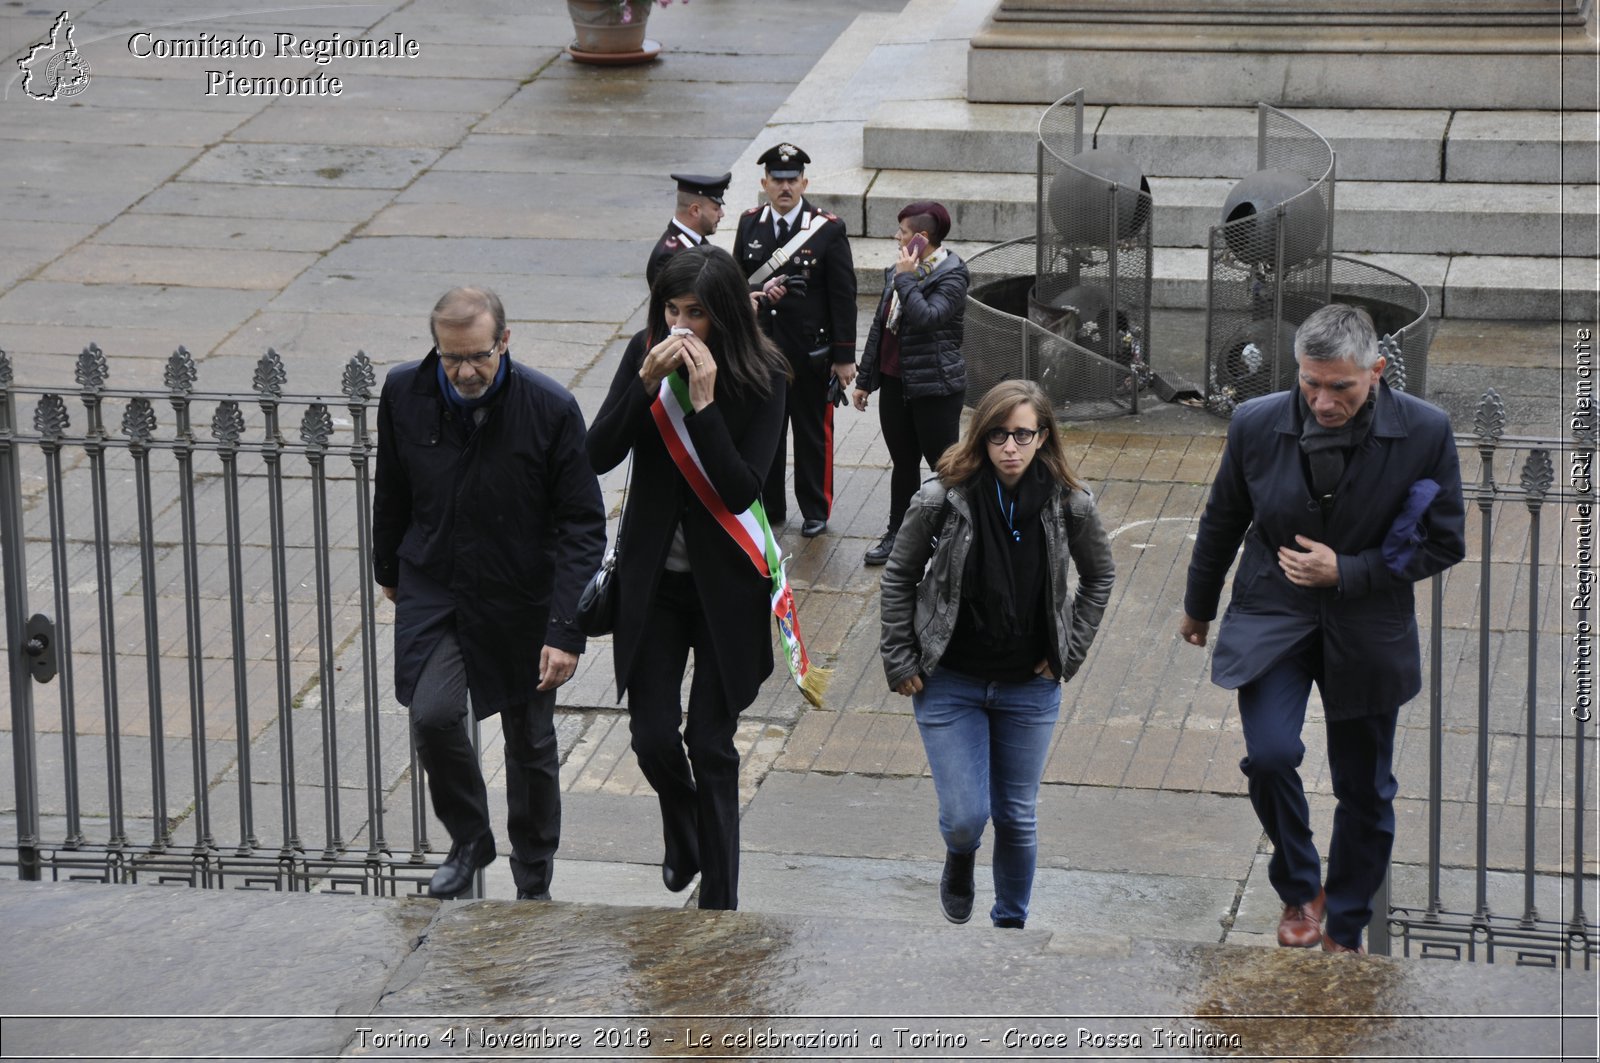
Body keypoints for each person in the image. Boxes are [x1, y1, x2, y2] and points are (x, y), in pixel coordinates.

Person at [1179, 303, 1466, 954]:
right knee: (1272, 754)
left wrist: (1350, 571)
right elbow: (1223, 519)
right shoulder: (1255, 423)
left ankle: (1345, 916)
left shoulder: (1425, 430)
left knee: (1365, 785)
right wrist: (1198, 607)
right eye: (1311, 382)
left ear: (1378, 371)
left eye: (1341, 387)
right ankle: (1299, 883)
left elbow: (1444, 542)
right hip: (1273, 610)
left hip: (1367, 621)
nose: (1323, 400)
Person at [373, 286, 606, 900]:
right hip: (436, 583)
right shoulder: (404, 391)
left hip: (520, 594)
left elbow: (583, 525)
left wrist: (565, 630)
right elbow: (392, 487)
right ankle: (470, 837)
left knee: (529, 741)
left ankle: (533, 877)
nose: (465, 371)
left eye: (478, 355)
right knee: (432, 715)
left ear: (505, 341)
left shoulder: (550, 407)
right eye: (451, 358)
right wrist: (387, 572)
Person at [586, 245, 792, 911]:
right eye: (671, 310)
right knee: (650, 736)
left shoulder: (765, 376)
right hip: (656, 586)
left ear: (724, 316)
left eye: (695, 314)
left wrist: (703, 405)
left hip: (726, 589)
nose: (680, 326)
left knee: (710, 740)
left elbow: (740, 490)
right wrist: (644, 387)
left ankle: (720, 901)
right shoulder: (643, 356)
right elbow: (596, 453)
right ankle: (684, 827)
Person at [879, 380, 1115, 929]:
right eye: (998, 435)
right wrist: (900, 657)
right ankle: (959, 856)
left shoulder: (1070, 505)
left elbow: (1100, 577)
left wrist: (1069, 652)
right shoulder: (941, 498)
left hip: (1029, 689)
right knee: (965, 818)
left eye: (1022, 435)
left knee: (1017, 818)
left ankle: (1010, 925)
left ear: (1043, 437)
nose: (1010, 447)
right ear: (981, 436)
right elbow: (899, 577)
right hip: (951, 681)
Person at [733, 142, 857, 538]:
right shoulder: (749, 224)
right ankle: (769, 505)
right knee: (763, 430)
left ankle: (815, 509)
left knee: (811, 433)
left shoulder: (828, 229)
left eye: (792, 180)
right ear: (764, 183)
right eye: (777, 180)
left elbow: (843, 296)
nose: (785, 188)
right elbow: (736, 286)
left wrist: (844, 357)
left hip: (809, 353)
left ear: (804, 182)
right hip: (762, 350)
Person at [853, 201, 970, 566]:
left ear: (921, 238)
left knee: (944, 466)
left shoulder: (952, 274)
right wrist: (864, 380)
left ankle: (951, 535)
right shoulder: (897, 271)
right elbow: (880, 330)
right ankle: (897, 535)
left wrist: (906, 279)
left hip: (935, 387)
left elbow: (928, 317)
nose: (896, 236)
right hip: (894, 383)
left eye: (902, 231)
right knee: (903, 463)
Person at [646, 171, 731, 289]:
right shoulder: (670, 257)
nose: (722, 214)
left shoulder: (696, 240)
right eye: (716, 208)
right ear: (695, 210)